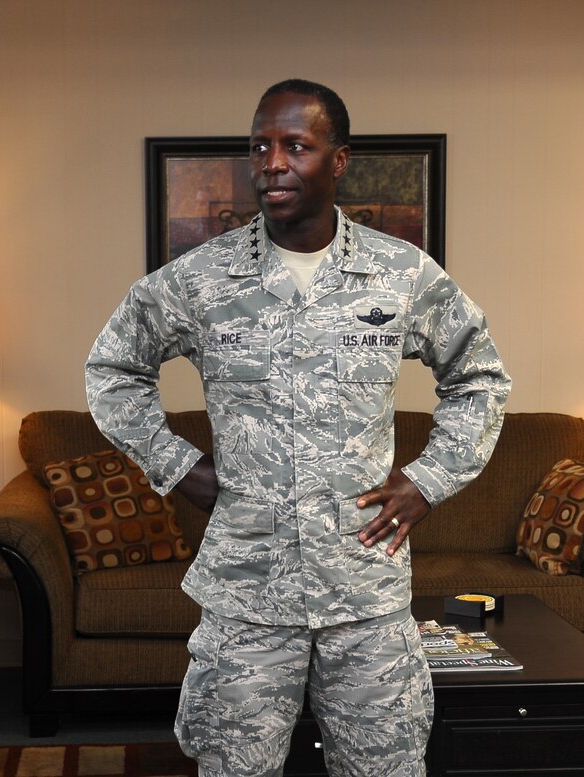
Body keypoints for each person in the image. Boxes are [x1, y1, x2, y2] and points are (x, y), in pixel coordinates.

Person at [85, 79, 510, 776]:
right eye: (260, 146)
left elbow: (480, 377)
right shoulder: (201, 279)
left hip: (364, 599)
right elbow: (111, 367)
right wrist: (176, 464)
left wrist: (429, 481)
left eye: (295, 146)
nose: (272, 162)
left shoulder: (400, 275)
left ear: (338, 160)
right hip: (246, 602)